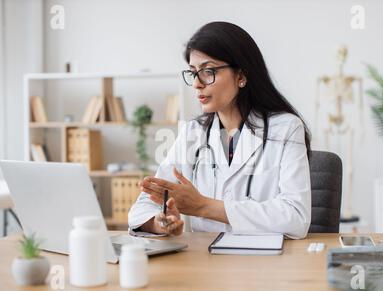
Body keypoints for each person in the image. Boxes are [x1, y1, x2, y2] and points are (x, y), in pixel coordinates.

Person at [128, 21, 312, 238]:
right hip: (207, 262)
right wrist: (161, 223)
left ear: (241, 76)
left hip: (265, 264)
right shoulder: (192, 132)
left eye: (208, 71)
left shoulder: (286, 128)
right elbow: (143, 207)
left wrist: (203, 207)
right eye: (193, 72)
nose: (197, 83)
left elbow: (296, 217)